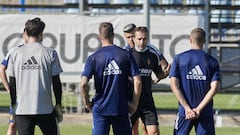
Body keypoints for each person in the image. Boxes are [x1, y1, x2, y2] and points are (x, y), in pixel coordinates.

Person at [80, 22, 142, 135]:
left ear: (99, 36)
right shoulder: (126, 55)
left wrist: (87, 102)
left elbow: (83, 84)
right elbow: (138, 81)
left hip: (100, 108)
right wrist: (134, 103)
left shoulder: (93, 58)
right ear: (113, 35)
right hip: (120, 107)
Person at [7, 17, 63, 135]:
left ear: (26, 33)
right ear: (41, 34)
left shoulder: (14, 53)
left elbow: (12, 82)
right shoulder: (50, 53)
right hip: (45, 108)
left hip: (22, 109)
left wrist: (13, 104)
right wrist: (58, 104)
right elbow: (56, 82)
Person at [169, 28, 220, 135]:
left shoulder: (179, 58)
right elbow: (214, 88)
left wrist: (187, 108)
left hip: (184, 112)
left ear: (190, 39)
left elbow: (174, 85)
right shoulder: (212, 61)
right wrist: (198, 109)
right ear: (204, 41)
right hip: (204, 112)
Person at [123, 24, 170, 135]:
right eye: (139, 39)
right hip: (130, 100)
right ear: (134, 39)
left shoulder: (152, 54)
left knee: (154, 132)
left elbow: (159, 74)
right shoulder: (127, 54)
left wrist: (165, 73)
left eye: (144, 39)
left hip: (147, 101)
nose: (142, 42)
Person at [0, 29, 28, 135]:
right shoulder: (15, 51)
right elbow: (2, 68)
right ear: (24, 35)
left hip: (33, 95)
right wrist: (7, 87)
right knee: (13, 124)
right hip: (18, 97)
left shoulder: (41, 51)